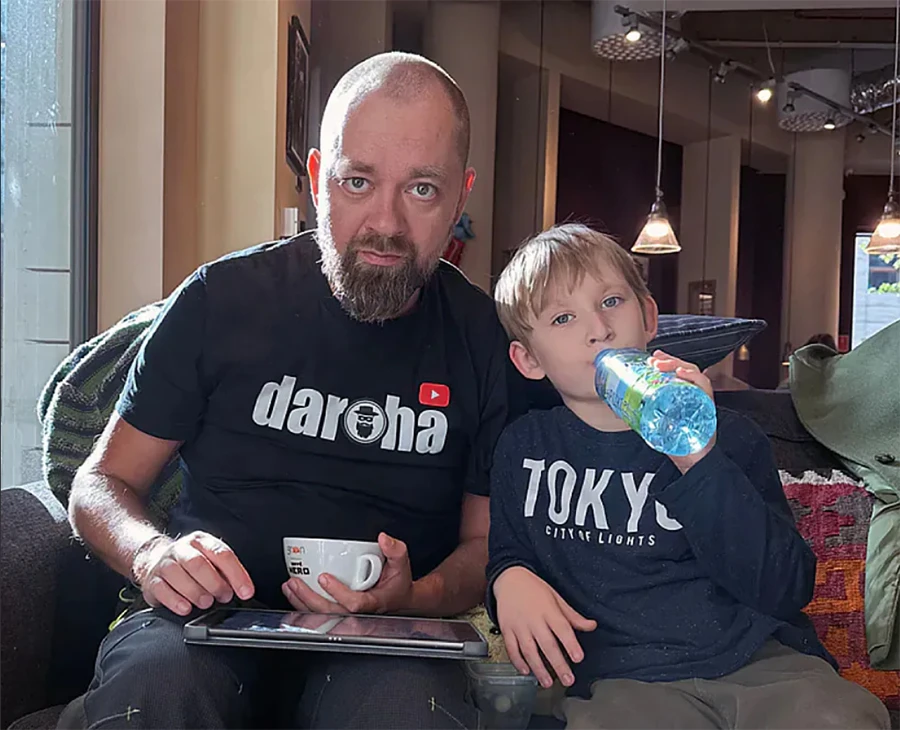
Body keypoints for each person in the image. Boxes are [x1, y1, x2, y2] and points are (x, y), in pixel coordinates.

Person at [59, 52, 511, 729]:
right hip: (203, 623)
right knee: (153, 691)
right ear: (318, 179)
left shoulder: (483, 338)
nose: (386, 223)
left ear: (460, 195)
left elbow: (484, 545)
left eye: (422, 188)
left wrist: (414, 595)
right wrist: (152, 554)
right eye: (357, 181)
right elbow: (100, 483)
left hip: (388, 640)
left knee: (405, 712)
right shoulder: (220, 300)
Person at [487, 224, 890, 729]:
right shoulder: (525, 448)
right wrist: (508, 581)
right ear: (528, 359)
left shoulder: (731, 438)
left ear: (648, 317)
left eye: (611, 301)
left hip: (762, 666)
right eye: (563, 317)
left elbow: (786, 587)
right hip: (623, 683)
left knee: (843, 718)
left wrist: (698, 459)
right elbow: (507, 552)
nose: (599, 329)